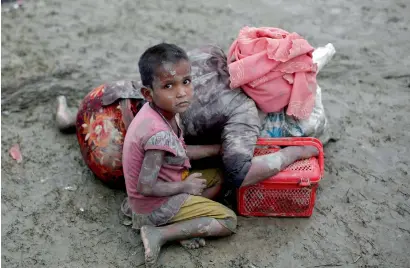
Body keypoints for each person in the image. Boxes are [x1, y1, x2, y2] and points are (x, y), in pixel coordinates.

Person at [121, 43, 237, 267]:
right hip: (154, 205)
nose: (181, 92)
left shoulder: (163, 112)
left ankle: (185, 220)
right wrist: (184, 188)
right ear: (148, 93)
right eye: (169, 86)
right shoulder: (158, 135)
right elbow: (145, 187)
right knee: (228, 220)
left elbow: (179, 152)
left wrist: (217, 149)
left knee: (217, 176)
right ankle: (160, 234)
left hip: (164, 187)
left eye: (186, 82)